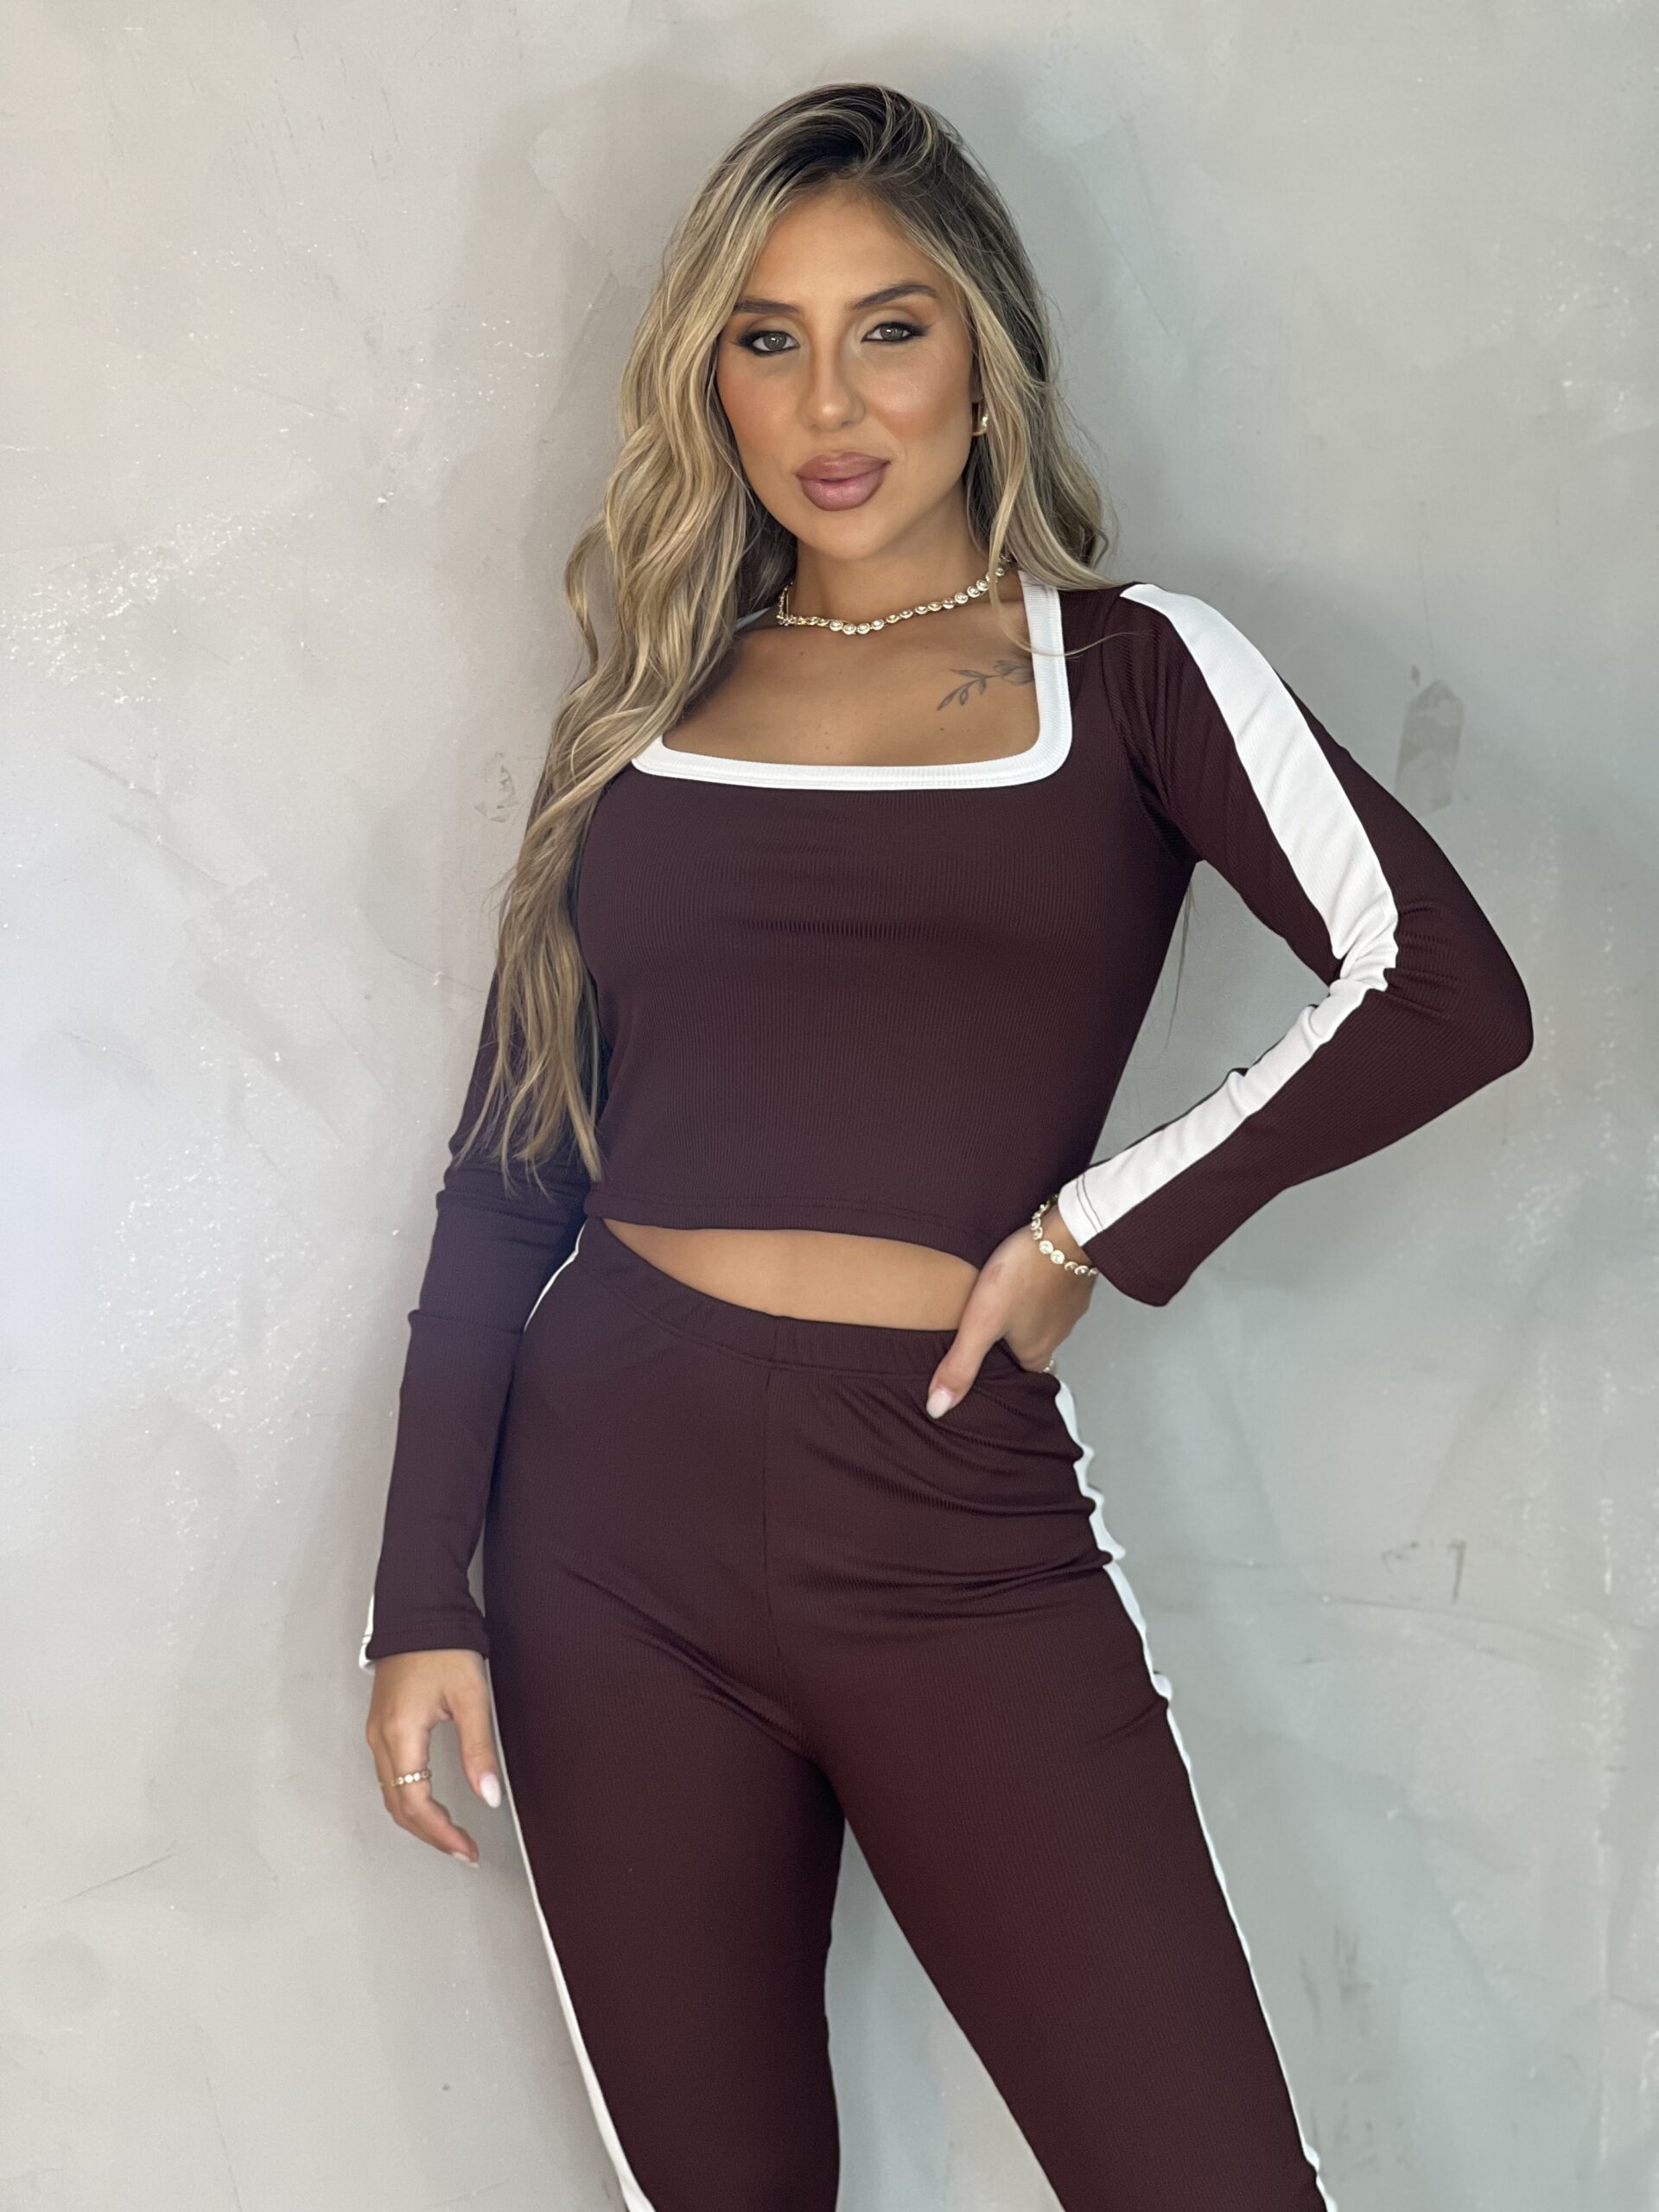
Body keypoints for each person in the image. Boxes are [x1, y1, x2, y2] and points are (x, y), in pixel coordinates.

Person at [359, 81, 1531, 2212]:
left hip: (941, 1498)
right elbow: (512, 1169)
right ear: (709, 378)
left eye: (888, 329)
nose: (831, 403)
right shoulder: (641, 710)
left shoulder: (1136, 672)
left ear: (984, 353)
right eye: (768, 337)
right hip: (606, 1514)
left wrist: (1089, 1229)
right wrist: (418, 1589)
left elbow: (1441, 985)